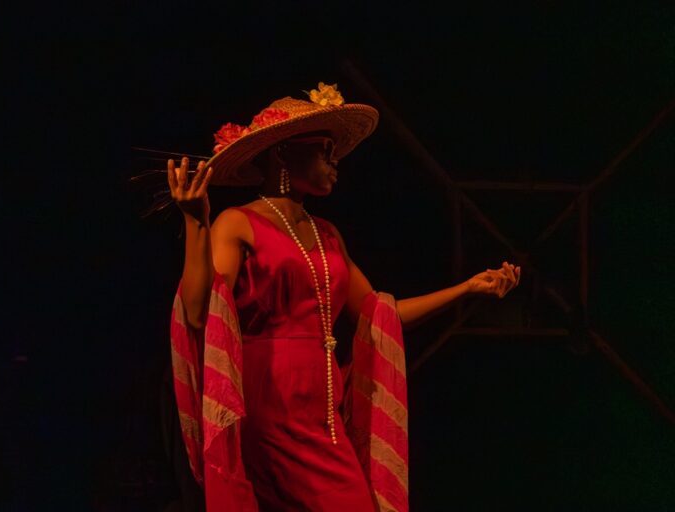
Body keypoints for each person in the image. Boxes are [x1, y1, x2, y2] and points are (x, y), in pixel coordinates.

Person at [166, 82, 520, 511]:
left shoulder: (328, 235)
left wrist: (467, 289)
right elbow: (199, 314)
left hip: (323, 409)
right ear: (283, 153)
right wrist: (196, 222)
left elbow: (380, 315)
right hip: (271, 402)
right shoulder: (236, 222)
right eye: (325, 150)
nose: (335, 162)